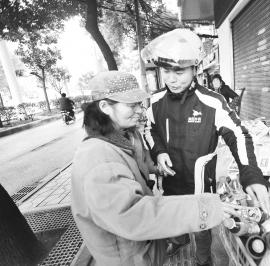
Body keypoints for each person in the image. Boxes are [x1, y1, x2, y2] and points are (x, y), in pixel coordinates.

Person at [71, 71, 239, 266]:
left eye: (139, 104)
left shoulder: (126, 136)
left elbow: (137, 166)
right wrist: (204, 209)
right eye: (131, 105)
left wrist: (156, 167)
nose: (140, 111)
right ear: (105, 107)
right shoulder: (98, 160)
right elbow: (134, 215)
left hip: (144, 250)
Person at [141, 29, 270, 266]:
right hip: (171, 180)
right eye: (166, 71)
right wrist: (158, 152)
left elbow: (239, 136)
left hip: (201, 184)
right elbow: (150, 131)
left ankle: (203, 259)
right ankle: (179, 240)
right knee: (174, 217)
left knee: (202, 228)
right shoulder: (156, 101)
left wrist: (251, 174)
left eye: (179, 71)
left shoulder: (213, 101)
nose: (171, 78)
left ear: (195, 69)